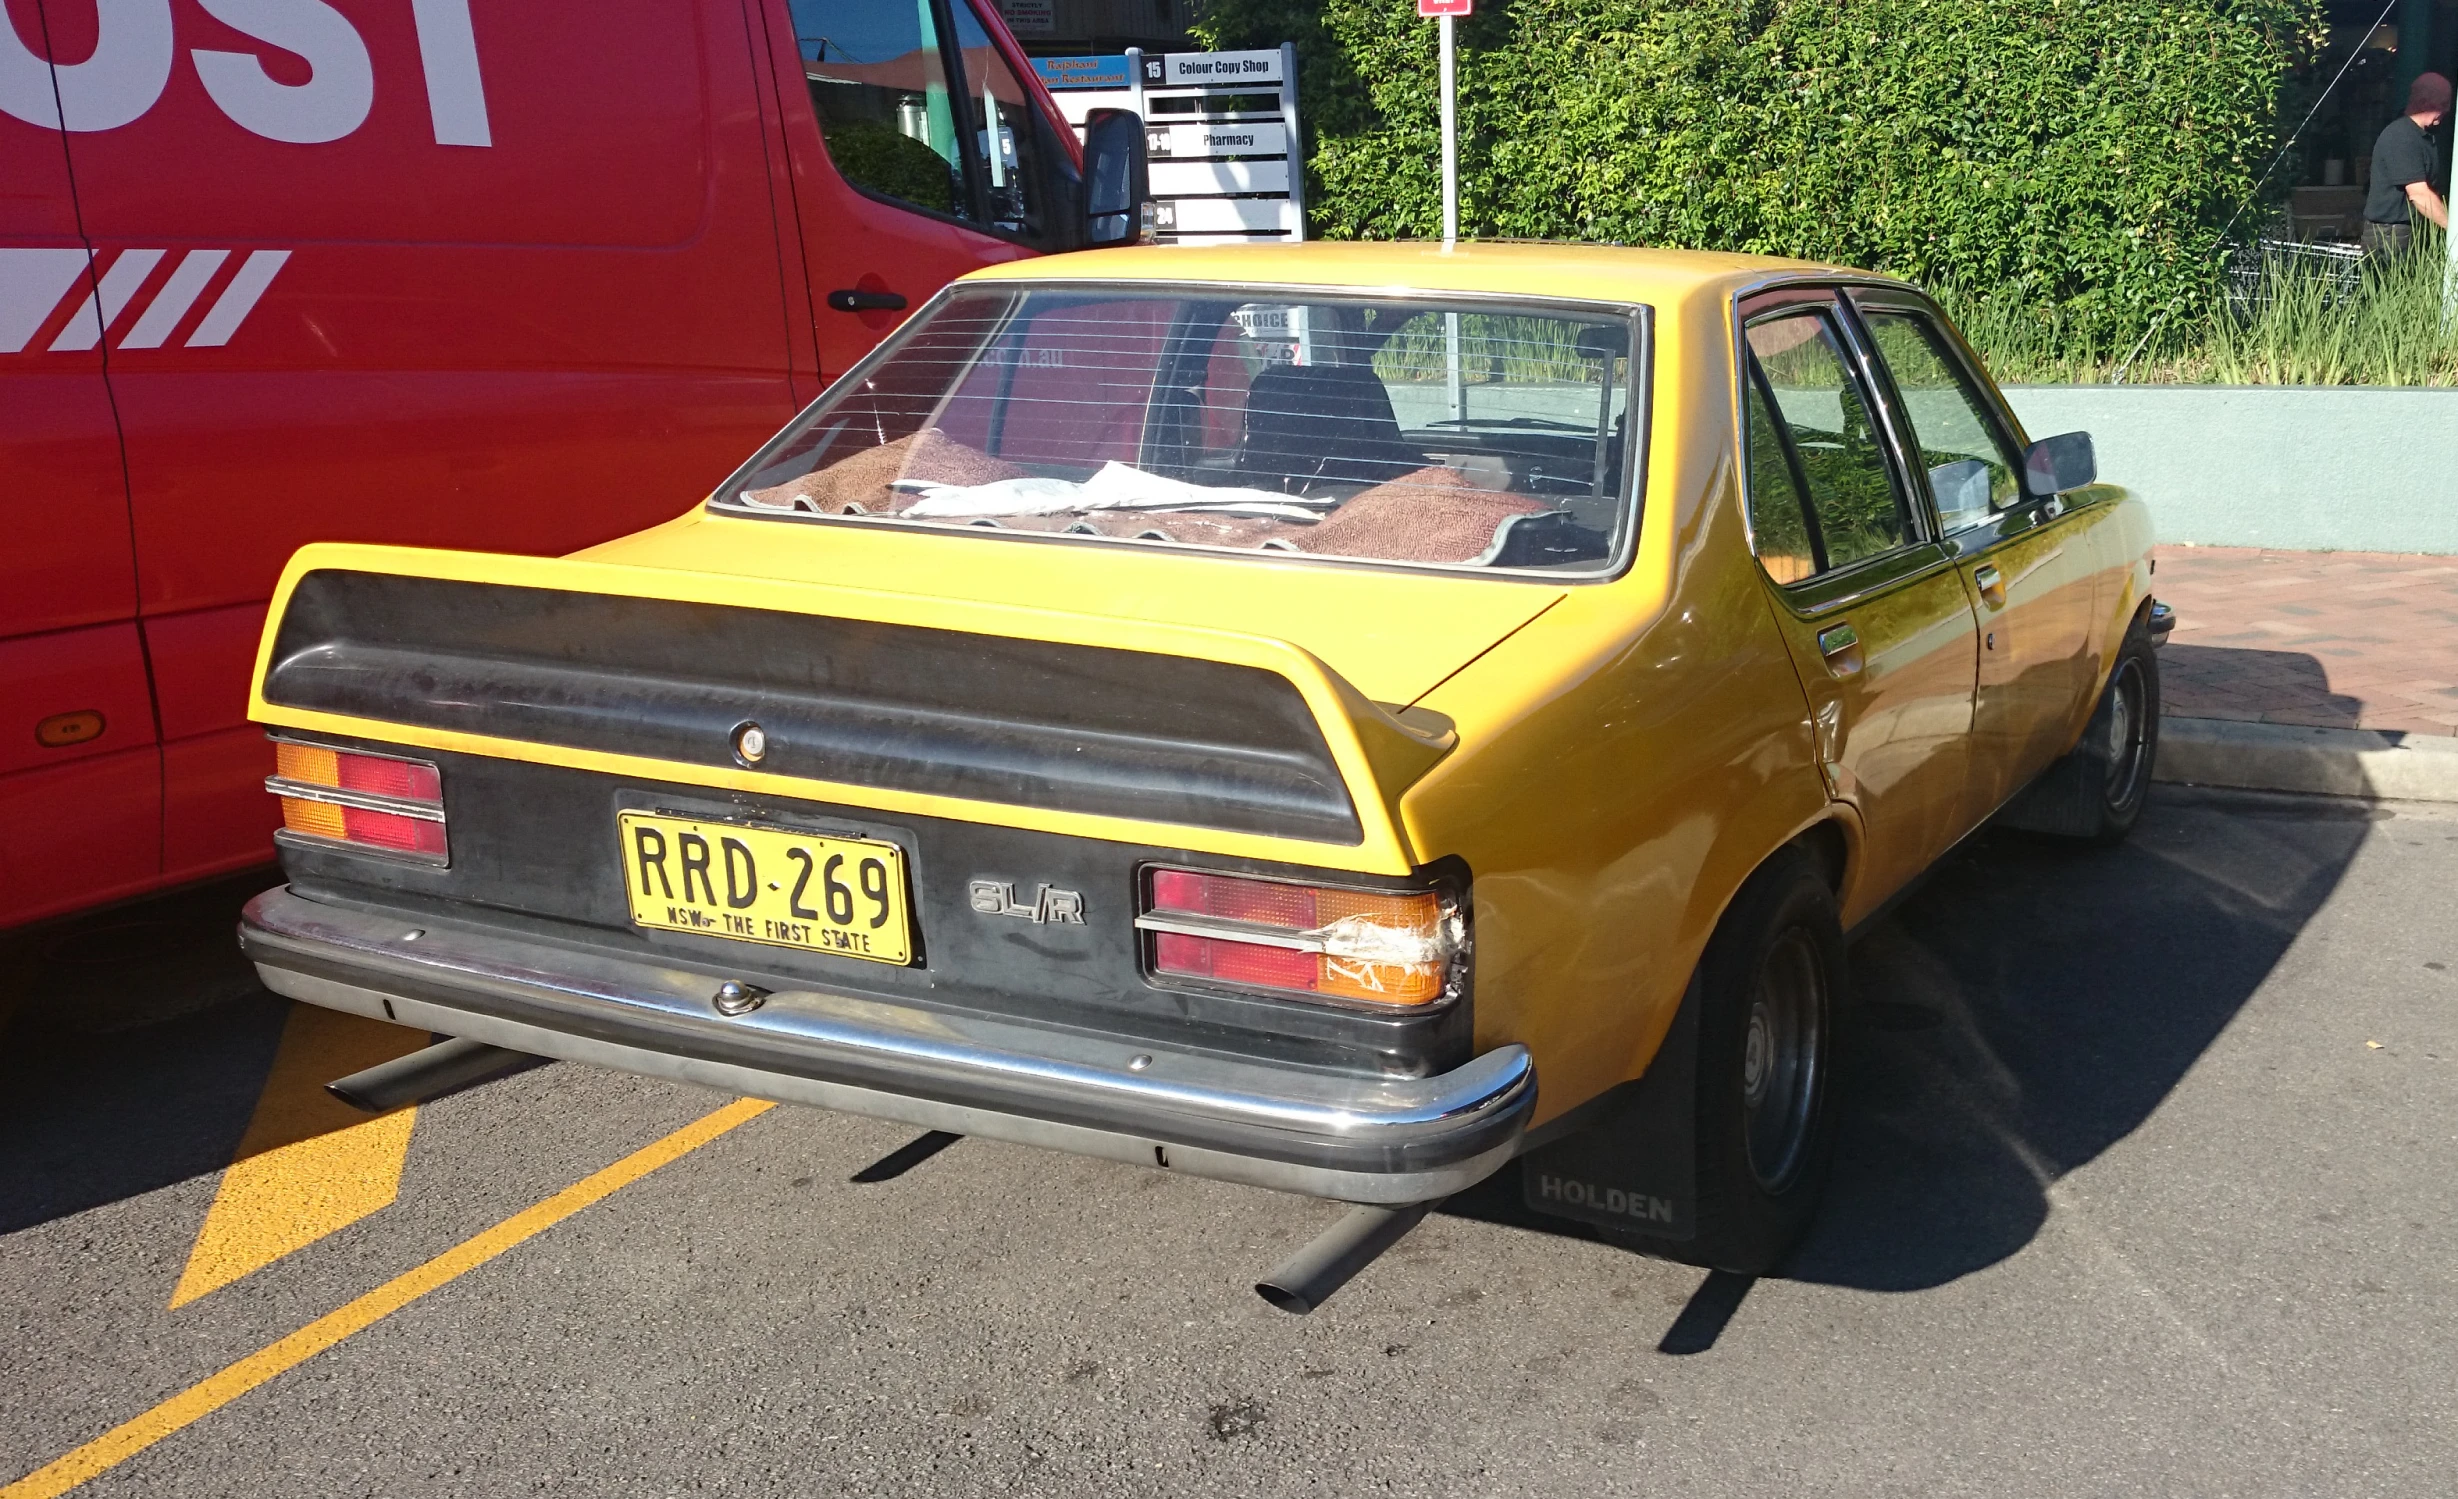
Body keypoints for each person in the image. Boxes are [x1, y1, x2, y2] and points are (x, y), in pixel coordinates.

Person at [2362, 71, 2452, 260]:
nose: (2446, 110)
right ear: (2424, 102)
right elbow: (2419, 195)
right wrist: (2453, 229)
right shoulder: (2402, 137)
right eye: (2443, 104)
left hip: (2403, 233)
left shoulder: (2421, 136)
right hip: (2389, 237)